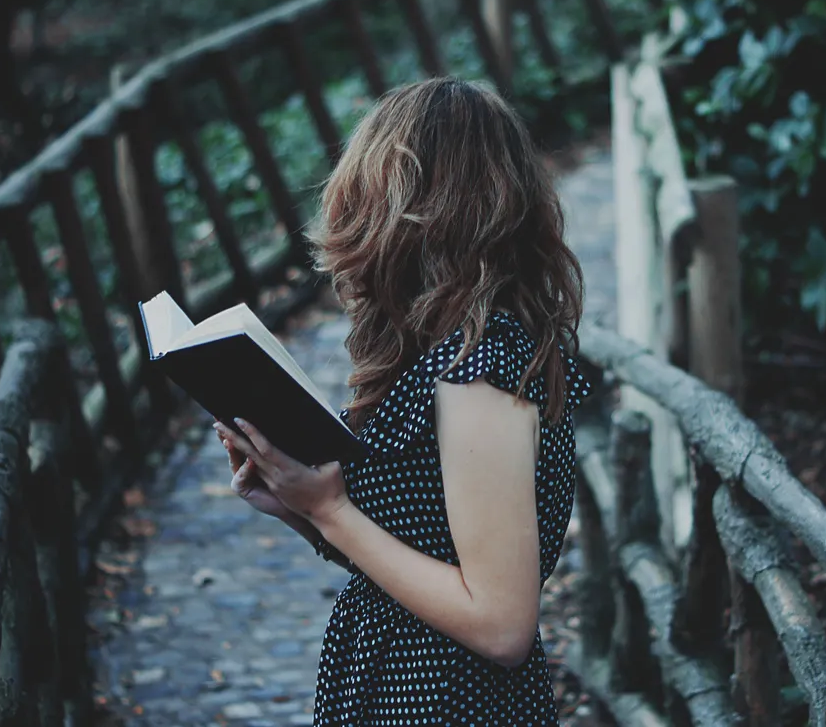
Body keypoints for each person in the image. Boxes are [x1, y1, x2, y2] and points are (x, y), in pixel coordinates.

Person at [214, 76, 591, 725]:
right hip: (403, 690)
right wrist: (299, 507)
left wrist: (332, 512)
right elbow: (427, 549)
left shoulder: (483, 375)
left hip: (451, 705)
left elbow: (502, 625)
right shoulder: (445, 357)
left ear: (413, 213)